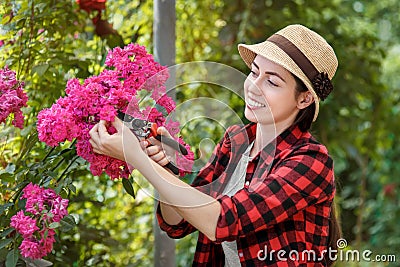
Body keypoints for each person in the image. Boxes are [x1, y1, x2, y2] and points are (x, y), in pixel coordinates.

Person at [89, 24, 341, 266]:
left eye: (272, 82)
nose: (253, 87)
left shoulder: (311, 161)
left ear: (305, 98)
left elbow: (221, 221)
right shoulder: (236, 142)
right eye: (254, 72)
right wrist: (163, 166)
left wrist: (138, 159)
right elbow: (176, 222)